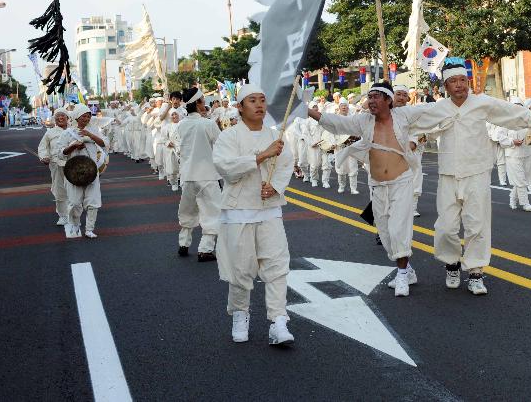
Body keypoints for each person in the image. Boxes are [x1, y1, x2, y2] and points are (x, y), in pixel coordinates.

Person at [408, 61, 531, 295]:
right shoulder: (438, 108)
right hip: (449, 174)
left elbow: (515, 114)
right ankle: (451, 264)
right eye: (453, 82)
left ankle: (475, 272)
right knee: (446, 227)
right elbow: (417, 127)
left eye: (462, 80)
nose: (459, 85)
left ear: (468, 82)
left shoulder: (482, 103)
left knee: (477, 224)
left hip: (477, 173)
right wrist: (410, 143)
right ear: (446, 86)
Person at [311, 82, 426, 297]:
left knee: (398, 228)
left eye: (376, 97)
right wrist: (310, 112)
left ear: (388, 100)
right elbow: (338, 124)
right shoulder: (364, 120)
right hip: (377, 185)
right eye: (369, 97)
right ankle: (407, 269)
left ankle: (401, 273)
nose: (371, 101)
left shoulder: (404, 117)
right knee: (384, 230)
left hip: (401, 181)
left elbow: (430, 118)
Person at [213, 85, 296, 345]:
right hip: (239, 212)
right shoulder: (229, 136)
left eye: (262, 100)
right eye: (252, 100)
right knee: (241, 269)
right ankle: (240, 314)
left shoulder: (276, 135)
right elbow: (225, 167)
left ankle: (279, 320)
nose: (259, 105)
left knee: (277, 265)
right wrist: (261, 156)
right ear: (240, 107)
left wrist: (276, 186)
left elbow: (286, 163)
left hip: (269, 210)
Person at [176, 87, 223, 261]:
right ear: (197, 103)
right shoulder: (207, 124)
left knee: (188, 210)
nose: (205, 103)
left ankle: (184, 243)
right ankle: (205, 249)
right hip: (207, 175)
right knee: (212, 212)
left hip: (187, 175)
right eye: (203, 100)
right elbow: (222, 144)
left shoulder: (181, 124)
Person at [55, 105, 108, 239]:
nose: (86, 118)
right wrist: (73, 146)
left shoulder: (94, 130)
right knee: (74, 202)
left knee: (93, 201)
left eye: (88, 116)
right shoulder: (67, 133)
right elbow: (61, 153)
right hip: (74, 172)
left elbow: (104, 144)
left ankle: (89, 229)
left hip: (91, 170)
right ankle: (75, 224)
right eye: (84, 116)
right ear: (77, 117)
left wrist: (90, 135)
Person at [494, 98, 531, 211]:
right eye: (514, 106)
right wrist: (512, 141)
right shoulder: (505, 121)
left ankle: (512, 198)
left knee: (522, 180)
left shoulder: (527, 120)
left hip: (527, 153)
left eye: (519, 106)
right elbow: (500, 137)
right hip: (513, 155)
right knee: (521, 181)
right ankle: (525, 203)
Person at [393, 85, 423, 215]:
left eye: (404, 95)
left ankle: (412, 208)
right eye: (398, 94)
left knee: (414, 181)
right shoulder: (383, 112)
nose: (401, 98)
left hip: (409, 155)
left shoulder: (412, 114)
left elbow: (414, 138)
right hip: (386, 158)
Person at [37, 108, 70, 226]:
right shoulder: (50, 132)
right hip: (56, 165)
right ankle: (63, 215)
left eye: (63, 116)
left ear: (68, 118)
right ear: (54, 119)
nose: (60, 118)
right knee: (59, 190)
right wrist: (44, 157)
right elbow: (42, 147)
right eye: (57, 116)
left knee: (74, 190)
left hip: (73, 165)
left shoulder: (74, 131)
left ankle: (74, 213)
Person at [332, 98, 360, 195]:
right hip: (340, 147)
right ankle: (341, 186)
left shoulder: (352, 118)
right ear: (339, 107)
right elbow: (331, 132)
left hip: (351, 146)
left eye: (345, 106)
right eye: (342, 106)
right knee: (341, 167)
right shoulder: (335, 119)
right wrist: (333, 143)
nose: (344, 107)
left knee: (353, 167)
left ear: (348, 107)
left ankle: (353, 188)